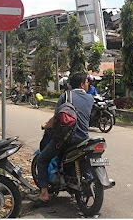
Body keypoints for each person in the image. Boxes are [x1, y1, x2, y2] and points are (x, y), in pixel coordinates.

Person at [37, 72, 94, 202]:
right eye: (87, 82)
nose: (88, 84)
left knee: (42, 159)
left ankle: (44, 193)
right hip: (83, 139)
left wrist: (46, 125)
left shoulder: (66, 96)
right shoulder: (90, 98)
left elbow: (57, 118)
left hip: (66, 139)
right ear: (82, 84)